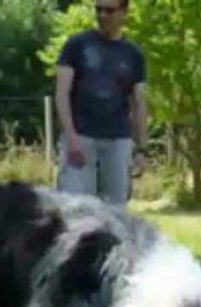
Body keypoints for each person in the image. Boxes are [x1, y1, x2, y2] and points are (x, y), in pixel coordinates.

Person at [54, 0, 148, 206]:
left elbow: (139, 103)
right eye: (98, 9)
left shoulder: (134, 54)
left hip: (118, 141)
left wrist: (142, 149)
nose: (102, 15)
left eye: (109, 11)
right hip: (80, 138)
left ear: (124, 12)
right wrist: (70, 136)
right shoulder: (76, 45)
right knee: (75, 209)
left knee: (115, 213)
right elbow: (61, 94)